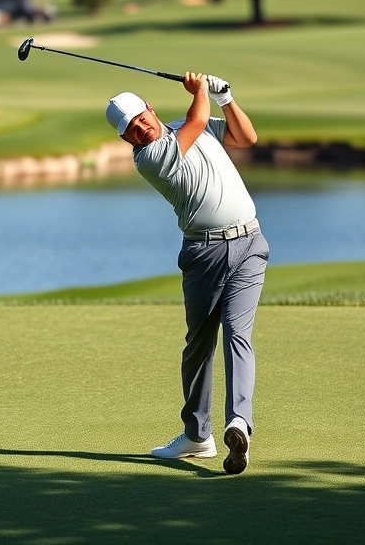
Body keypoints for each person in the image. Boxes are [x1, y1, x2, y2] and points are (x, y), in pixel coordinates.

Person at [105, 73, 267, 475]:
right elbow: (196, 123)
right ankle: (197, 436)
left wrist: (226, 98)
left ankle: (238, 423)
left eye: (140, 119)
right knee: (198, 345)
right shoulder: (150, 158)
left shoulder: (186, 125)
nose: (140, 129)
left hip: (250, 243)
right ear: (127, 140)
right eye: (131, 130)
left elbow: (246, 139)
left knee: (237, 332)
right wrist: (200, 92)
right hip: (203, 252)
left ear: (150, 110)